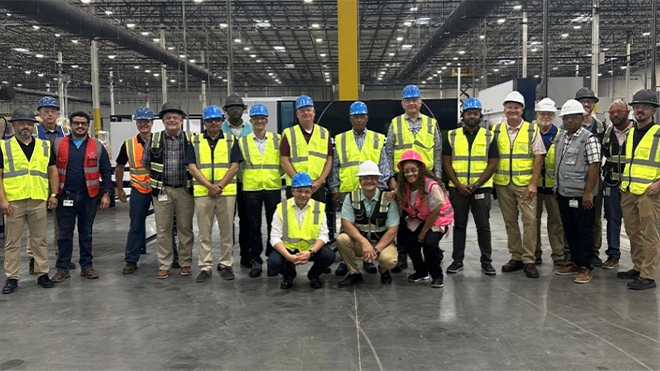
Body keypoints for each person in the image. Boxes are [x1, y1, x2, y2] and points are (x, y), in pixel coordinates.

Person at [384, 84, 443, 273]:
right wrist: (391, 179)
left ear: (421, 102)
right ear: (402, 103)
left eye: (415, 100)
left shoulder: (431, 123)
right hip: (402, 178)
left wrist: (438, 180)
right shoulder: (395, 123)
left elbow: (438, 151)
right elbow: (389, 151)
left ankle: (432, 253)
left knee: (428, 215)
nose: (412, 103)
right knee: (403, 219)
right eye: (408, 100)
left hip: (426, 178)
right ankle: (402, 256)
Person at [0, 107, 59, 293]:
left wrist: (54, 194)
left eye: (29, 124)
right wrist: (2, 200)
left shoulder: (44, 146)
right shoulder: (4, 146)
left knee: (39, 240)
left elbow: (52, 171)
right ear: (14, 125)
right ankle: (12, 277)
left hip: (38, 200)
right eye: (21, 123)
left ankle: (42, 273)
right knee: (12, 241)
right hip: (13, 202)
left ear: (33, 126)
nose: (25, 127)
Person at [50, 111, 112, 283]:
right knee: (64, 235)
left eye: (83, 123)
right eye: (76, 123)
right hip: (65, 196)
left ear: (88, 125)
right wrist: (53, 194)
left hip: (88, 197)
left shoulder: (97, 146)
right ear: (70, 125)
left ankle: (87, 266)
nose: (80, 126)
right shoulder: (57, 144)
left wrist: (106, 194)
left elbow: (106, 171)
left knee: (86, 233)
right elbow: (51, 170)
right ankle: (62, 268)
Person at [116, 107, 179, 274]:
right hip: (138, 189)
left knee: (165, 225)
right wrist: (120, 189)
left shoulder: (161, 140)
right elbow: (120, 167)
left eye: (146, 121)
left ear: (152, 123)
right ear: (136, 123)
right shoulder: (128, 144)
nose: (143, 124)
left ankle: (174, 257)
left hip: (160, 188)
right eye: (140, 121)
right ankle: (131, 259)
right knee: (136, 225)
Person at [492, 91, 546, 278]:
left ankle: (529, 260)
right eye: (509, 107)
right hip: (503, 183)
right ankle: (516, 256)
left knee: (530, 222)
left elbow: (538, 157)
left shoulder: (532, 129)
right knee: (510, 222)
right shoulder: (496, 130)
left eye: (516, 107)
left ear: (522, 110)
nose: (512, 110)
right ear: (505, 109)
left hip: (525, 185)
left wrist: (533, 183)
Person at [330, 101, 387, 275]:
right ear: (350, 119)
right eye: (356, 116)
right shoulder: (340, 139)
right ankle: (346, 261)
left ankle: (368, 260)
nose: (359, 120)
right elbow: (335, 167)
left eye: (362, 116)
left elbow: (383, 166)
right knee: (346, 227)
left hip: (370, 192)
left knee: (368, 225)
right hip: (348, 189)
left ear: (367, 118)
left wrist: (381, 190)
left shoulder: (378, 138)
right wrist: (334, 189)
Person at [186, 105, 242, 282]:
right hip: (203, 193)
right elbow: (192, 168)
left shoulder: (231, 140)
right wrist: (210, 186)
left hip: (226, 193)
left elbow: (235, 166)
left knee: (227, 231)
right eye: (210, 120)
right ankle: (205, 266)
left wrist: (219, 186)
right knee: (204, 231)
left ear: (221, 121)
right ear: (204, 122)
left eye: (217, 120)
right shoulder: (195, 141)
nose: (214, 123)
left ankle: (226, 264)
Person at [443, 97, 498, 276]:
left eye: (475, 113)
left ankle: (486, 261)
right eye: (468, 113)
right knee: (459, 226)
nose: (472, 116)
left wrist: (476, 184)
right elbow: (446, 163)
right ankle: (457, 260)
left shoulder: (489, 136)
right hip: (458, 189)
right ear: (463, 116)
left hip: (480, 189)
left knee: (483, 226)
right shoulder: (452, 135)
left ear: (480, 115)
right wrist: (459, 185)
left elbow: (493, 163)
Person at [142, 102, 196, 279]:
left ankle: (185, 262)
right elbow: (146, 163)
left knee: (185, 228)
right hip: (162, 191)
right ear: (163, 121)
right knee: (163, 228)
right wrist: (159, 180)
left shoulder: (191, 138)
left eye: (175, 117)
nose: (172, 120)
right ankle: (164, 264)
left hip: (185, 190)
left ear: (181, 120)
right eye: (168, 118)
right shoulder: (154, 138)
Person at [553, 100, 601, 284]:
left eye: (574, 117)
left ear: (582, 118)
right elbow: (559, 164)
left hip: (582, 196)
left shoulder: (589, 139)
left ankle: (586, 267)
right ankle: (574, 261)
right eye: (566, 118)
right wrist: (557, 189)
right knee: (570, 230)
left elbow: (594, 166)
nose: (569, 121)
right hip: (565, 193)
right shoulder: (562, 138)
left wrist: (588, 193)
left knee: (584, 231)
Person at [618, 89, 660, 290]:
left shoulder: (658, 133)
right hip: (628, 190)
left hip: (649, 193)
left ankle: (648, 275)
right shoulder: (631, 132)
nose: (640, 110)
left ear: (653, 110)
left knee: (650, 235)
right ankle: (638, 267)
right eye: (637, 106)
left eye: (645, 106)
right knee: (633, 231)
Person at [26, 96, 72, 274]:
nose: (50, 114)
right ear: (40, 114)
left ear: (57, 113)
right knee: (35, 225)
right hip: (38, 183)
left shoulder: (65, 132)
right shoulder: (33, 132)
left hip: (59, 183)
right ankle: (33, 259)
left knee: (60, 223)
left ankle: (61, 256)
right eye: (46, 111)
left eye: (53, 111)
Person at [395, 150, 453, 288]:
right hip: (421, 218)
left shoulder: (431, 186)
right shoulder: (405, 187)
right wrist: (392, 195)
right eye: (406, 171)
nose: (410, 174)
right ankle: (421, 272)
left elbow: (435, 211)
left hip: (438, 219)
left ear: (420, 169)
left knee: (429, 243)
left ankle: (437, 276)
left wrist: (422, 233)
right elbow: (399, 196)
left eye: (413, 170)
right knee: (409, 242)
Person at [336, 161, 399, 287]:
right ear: (360, 180)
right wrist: (364, 243)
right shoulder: (351, 197)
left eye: (372, 178)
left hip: (382, 243)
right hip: (360, 243)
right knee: (342, 239)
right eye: (365, 178)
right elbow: (346, 223)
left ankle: (384, 270)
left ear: (378, 180)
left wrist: (375, 249)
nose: (369, 181)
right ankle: (354, 273)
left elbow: (393, 229)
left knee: (389, 260)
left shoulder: (387, 198)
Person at [268, 172, 334, 289]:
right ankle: (289, 274)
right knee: (273, 262)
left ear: (311, 192)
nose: (303, 195)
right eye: (299, 191)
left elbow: (323, 235)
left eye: (307, 191)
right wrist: (289, 257)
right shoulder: (281, 208)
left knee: (328, 256)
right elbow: (274, 237)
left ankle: (313, 275)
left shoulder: (318, 208)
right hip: (289, 249)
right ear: (292, 191)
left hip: (311, 250)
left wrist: (310, 252)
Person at [237, 103, 282, 278]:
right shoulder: (243, 141)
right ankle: (255, 259)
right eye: (256, 118)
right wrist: (249, 180)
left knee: (274, 225)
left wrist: (276, 177)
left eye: (262, 118)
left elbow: (283, 163)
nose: (259, 121)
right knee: (254, 227)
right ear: (251, 121)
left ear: (267, 120)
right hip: (251, 188)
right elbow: (239, 167)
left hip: (272, 187)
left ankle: (272, 259)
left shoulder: (277, 139)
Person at [533, 98, 567, 267]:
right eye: (542, 113)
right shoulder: (531, 133)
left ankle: (558, 254)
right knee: (533, 222)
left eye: (549, 114)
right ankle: (535, 253)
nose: (545, 116)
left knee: (556, 222)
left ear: (554, 116)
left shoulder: (561, 135)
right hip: (534, 186)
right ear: (537, 115)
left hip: (553, 188)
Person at [280, 95, 333, 203]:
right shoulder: (289, 133)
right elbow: (284, 160)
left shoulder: (324, 133)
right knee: (294, 218)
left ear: (313, 112)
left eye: (308, 110)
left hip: (316, 186)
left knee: (317, 218)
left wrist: (320, 181)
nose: (306, 113)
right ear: (297, 114)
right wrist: (299, 181)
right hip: (295, 187)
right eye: (302, 110)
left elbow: (329, 159)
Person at [221, 93, 253, 269]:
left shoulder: (250, 129)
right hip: (226, 183)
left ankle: (245, 254)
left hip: (246, 182)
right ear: (226, 111)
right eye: (232, 107)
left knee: (246, 221)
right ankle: (227, 256)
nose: (236, 109)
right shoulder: (219, 129)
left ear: (242, 110)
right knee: (227, 222)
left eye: (239, 107)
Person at [575, 87, 605, 267]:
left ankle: (593, 251)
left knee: (594, 216)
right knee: (573, 215)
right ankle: (573, 251)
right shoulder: (568, 125)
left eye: (590, 101)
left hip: (595, 179)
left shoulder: (601, 127)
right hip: (573, 178)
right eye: (583, 101)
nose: (586, 104)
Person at [601, 100, 634, 269]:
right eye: (612, 112)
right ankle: (613, 255)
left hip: (634, 186)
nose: (615, 115)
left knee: (635, 224)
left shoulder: (638, 132)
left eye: (619, 111)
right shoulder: (606, 133)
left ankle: (640, 260)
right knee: (612, 220)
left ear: (627, 112)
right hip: (611, 184)